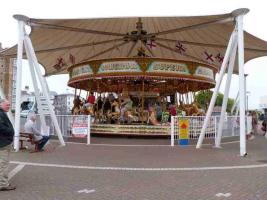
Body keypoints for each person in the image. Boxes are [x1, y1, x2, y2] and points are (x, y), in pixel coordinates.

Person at [0, 99, 16, 191]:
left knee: (2, 163)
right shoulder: (0, 113)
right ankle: (2, 184)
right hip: (3, 143)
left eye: (9, 105)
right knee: (3, 164)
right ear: (1, 104)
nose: (9, 106)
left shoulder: (2, 113)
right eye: (7, 105)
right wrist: (10, 131)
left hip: (3, 142)